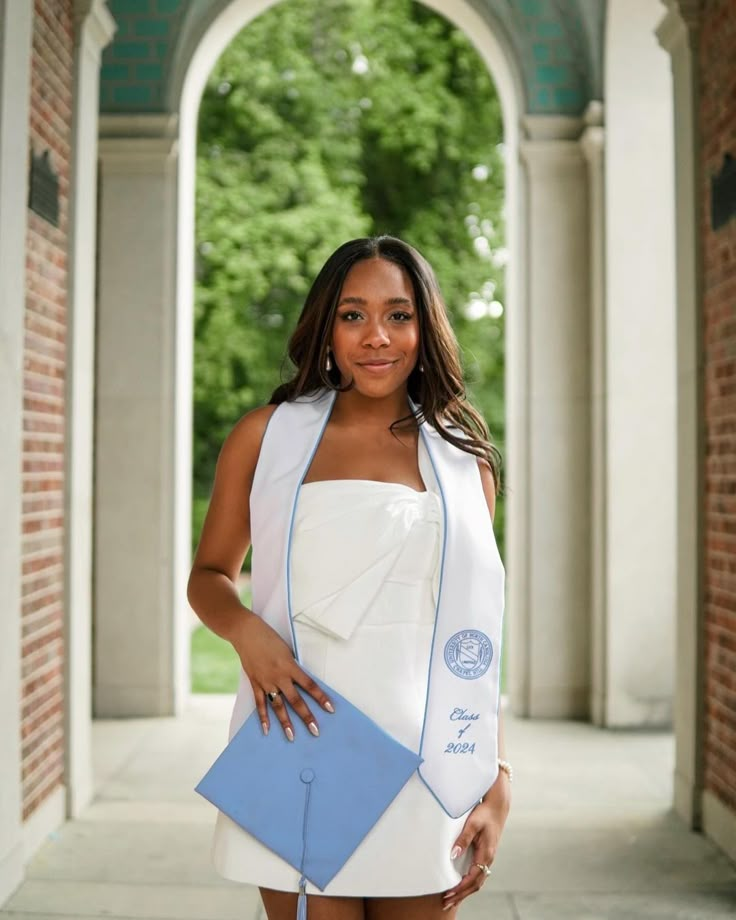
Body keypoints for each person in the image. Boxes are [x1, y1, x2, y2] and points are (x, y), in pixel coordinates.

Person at [187, 235, 512, 920]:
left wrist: (496, 775)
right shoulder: (266, 436)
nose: (376, 337)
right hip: (298, 743)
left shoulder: (464, 461)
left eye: (398, 315)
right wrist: (249, 635)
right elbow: (210, 575)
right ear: (325, 327)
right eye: (353, 314)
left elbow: (474, 636)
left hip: (428, 765)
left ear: (425, 329)